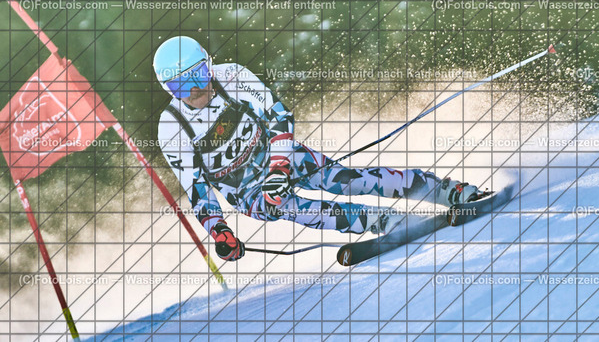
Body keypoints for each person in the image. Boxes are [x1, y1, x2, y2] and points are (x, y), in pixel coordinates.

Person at [154, 36, 480, 262]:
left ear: (209, 65)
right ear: (168, 90)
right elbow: (198, 190)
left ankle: (446, 191)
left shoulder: (232, 76)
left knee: (347, 181)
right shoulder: (172, 128)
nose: (195, 90)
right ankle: (383, 221)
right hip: (246, 191)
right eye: (180, 85)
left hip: (279, 155)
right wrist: (220, 232)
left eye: (199, 75)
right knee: (293, 206)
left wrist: (279, 167)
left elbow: (278, 117)